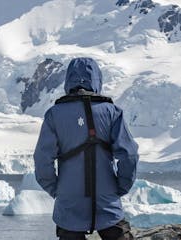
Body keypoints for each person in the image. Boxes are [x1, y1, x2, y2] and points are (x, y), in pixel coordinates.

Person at [33, 58, 140, 240]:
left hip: (69, 201)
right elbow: (129, 155)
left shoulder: (54, 114)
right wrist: (120, 187)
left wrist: (57, 190)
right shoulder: (112, 112)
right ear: (97, 79)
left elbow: (43, 160)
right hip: (107, 199)